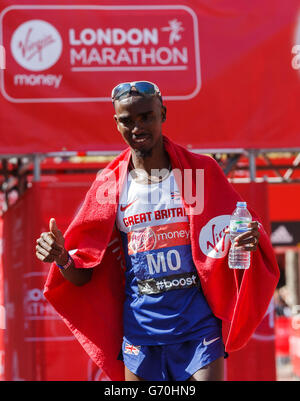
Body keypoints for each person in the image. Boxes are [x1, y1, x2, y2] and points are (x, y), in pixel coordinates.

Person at [36, 81, 279, 381]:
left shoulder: (196, 173)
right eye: (127, 120)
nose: (137, 127)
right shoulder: (110, 184)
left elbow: (235, 234)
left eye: (146, 117)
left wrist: (248, 241)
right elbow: (83, 273)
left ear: (162, 114)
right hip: (141, 330)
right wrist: (63, 259)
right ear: (116, 123)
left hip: (197, 327)